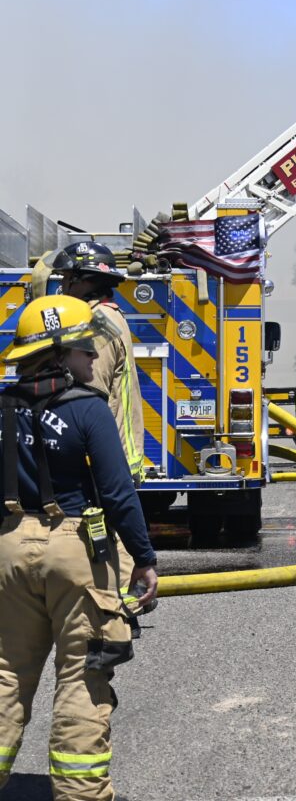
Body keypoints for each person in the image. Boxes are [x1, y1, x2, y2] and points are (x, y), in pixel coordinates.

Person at [0, 294, 158, 801]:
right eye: (85, 347)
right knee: (82, 677)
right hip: (75, 551)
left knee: (5, 675)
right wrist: (144, 560)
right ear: (58, 354)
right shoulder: (88, 408)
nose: (94, 356)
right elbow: (117, 493)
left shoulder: (2, 407)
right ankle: (80, 793)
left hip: (7, 546)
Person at [50, 240, 145, 484]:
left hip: (104, 460)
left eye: (66, 277)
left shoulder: (98, 321)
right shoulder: (106, 315)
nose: (62, 285)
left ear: (84, 280)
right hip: (109, 457)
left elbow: (88, 396)